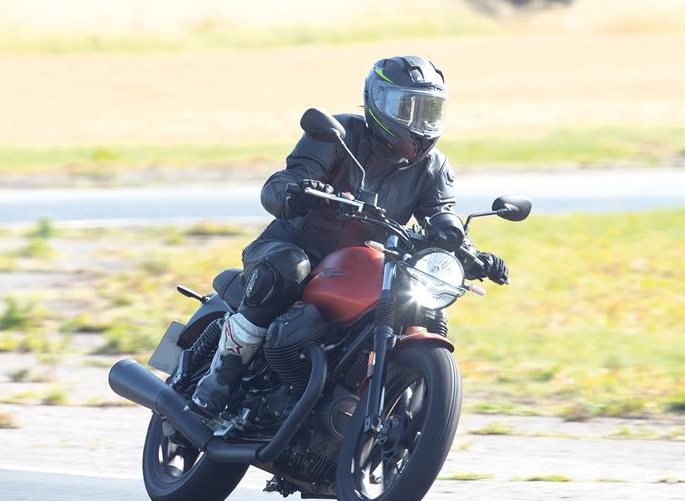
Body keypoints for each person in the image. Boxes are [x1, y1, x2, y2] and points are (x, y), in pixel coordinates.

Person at [192, 55, 509, 414]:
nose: (419, 122)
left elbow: (441, 215)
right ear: (377, 100)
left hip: (362, 265)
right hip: (293, 247)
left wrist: (470, 253)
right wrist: (295, 191)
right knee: (288, 265)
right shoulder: (338, 134)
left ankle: (400, 407)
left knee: (423, 299)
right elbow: (280, 183)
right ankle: (220, 375)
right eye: (407, 108)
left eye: (428, 111)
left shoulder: (433, 167)